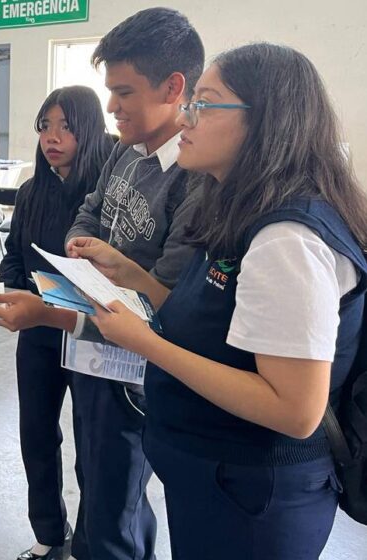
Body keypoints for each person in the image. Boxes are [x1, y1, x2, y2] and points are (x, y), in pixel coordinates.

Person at [65, 42, 367, 560]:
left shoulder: (287, 240)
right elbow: (212, 324)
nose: (185, 118)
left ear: (265, 120)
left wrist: (145, 343)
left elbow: (295, 408)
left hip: (252, 500)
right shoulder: (241, 209)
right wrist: (134, 274)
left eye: (204, 104)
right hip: (216, 482)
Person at [0, 9, 205, 560]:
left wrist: (106, 270)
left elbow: (169, 301)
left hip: (135, 365)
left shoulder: (195, 175)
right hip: (90, 342)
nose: (112, 107)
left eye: (124, 91)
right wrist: (85, 250)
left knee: (115, 500)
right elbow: (88, 215)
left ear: (173, 86)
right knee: (102, 484)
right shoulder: (125, 154)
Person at [0, 86, 114, 560]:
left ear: (88, 129)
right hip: (39, 336)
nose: (53, 137)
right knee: (37, 435)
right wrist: (11, 292)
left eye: (65, 126)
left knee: (94, 446)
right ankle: (49, 534)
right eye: (45, 126)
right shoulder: (31, 191)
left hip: (94, 338)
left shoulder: (107, 195)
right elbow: (13, 257)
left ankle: (91, 541)